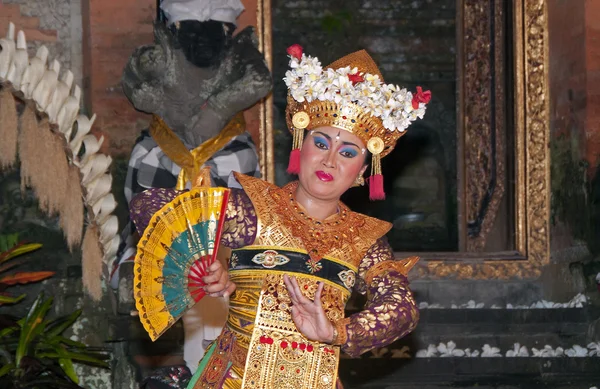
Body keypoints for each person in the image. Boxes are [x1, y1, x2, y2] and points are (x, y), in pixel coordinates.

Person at [130, 46, 430, 389]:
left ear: (363, 169)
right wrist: (205, 262)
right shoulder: (254, 209)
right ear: (300, 146)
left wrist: (338, 330)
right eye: (321, 143)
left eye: (347, 152)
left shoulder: (364, 239)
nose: (330, 160)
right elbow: (150, 206)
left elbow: (401, 306)